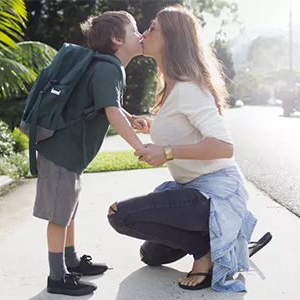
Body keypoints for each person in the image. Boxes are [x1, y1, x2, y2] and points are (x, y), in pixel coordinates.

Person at [108, 5, 257, 292]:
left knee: (120, 215)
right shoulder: (172, 86)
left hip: (214, 195)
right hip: (191, 192)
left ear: (172, 39)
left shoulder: (189, 88)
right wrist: (152, 126)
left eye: (153, 28)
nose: (144, 33)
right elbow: (186, 128)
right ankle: (218, 241)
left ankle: (206, 252)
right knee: (150, 256)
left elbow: (224, 146)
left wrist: (166, 152)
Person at [33, 11, 147, 296]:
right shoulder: (108, 68)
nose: (141, 34)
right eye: (135, 30)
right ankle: (57, 278)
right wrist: (140, 147)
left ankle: (70, 261)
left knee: (69, 210)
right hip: (61, 151)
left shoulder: (107, 66)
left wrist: (130, 117)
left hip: (69, 153)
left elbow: (111, 105)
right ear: (117, 39)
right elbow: (110, 112)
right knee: (60, 216)